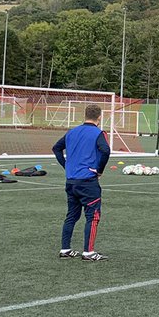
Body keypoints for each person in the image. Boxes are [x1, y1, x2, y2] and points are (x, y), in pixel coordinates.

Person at [53, 103, 111, 262]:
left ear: (85, 116)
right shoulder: (98, 133)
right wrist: (99, 170)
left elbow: (56, 148)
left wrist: (67, 166)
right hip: (87, 182)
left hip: (71, 181)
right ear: (99, 117)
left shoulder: (72, 132)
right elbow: (106, 150)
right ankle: (89, 252)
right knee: (93, 216)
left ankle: (65, 249)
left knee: (71, 215)